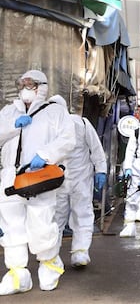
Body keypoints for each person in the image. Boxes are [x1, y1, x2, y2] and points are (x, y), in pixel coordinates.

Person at [0, 70, 75, 294]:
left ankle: (50, 266)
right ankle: (17, 275)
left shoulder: (55, 111)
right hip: (10, 176)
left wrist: (45, 154)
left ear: (41, 86)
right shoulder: (8, 111)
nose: (25, 88)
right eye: (22, 84)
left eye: (30, 84)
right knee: (11, 225)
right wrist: (14, 125)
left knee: (41, 223)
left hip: (38, 177)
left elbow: (67, 139)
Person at [49, 95, 107, 267]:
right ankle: (51, 254)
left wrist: (101, 170)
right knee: (55, 217)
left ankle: (80, 252)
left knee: (82, 213)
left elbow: (96, 148)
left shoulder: (81, 123)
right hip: (56, 179)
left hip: (81, 177)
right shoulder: (47, 127)